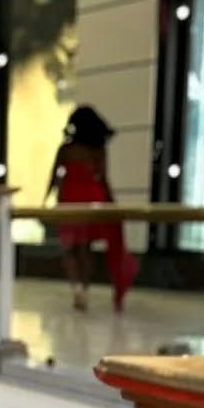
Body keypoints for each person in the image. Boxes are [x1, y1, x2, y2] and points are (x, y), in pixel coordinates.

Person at [45, 104, 138, 312]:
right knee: (85, 248)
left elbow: (54, 176)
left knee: (69, 248)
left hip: (69, 199)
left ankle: (77, 289)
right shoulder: (98, 150)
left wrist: (46, 198)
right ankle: (85, 289)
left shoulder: (65, 150)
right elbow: (103, 179)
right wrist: (111, 203)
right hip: (91, 199)